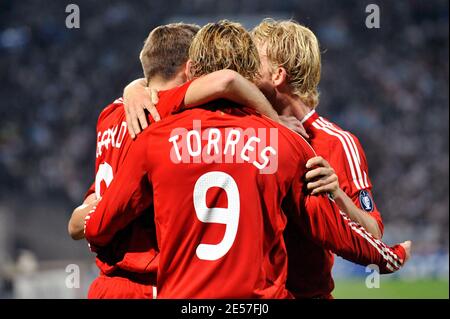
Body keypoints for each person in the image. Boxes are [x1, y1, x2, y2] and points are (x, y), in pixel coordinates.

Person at [84, 20, 410, 298]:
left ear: (193, 70)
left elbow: (98, 227)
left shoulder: (156, 136)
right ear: (250, 71)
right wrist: (389, 257)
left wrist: (88, 224)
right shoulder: (285, 145)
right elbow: (335, 231)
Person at [67, 22, 279, 298]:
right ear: (190, 69)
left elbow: (82, 217)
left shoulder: (108, 115)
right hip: (147, 282)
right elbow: (227, 80)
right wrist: (277, 125)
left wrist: (133, 87)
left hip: (106, 283)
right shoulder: (162, 111)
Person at [251, 18, 391, 298]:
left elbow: (373, 233)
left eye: (254, 63)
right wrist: (137, 88)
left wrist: (336, 192)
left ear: (278, 76)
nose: (244, 70)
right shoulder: (244, 130)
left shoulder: (337, 143)